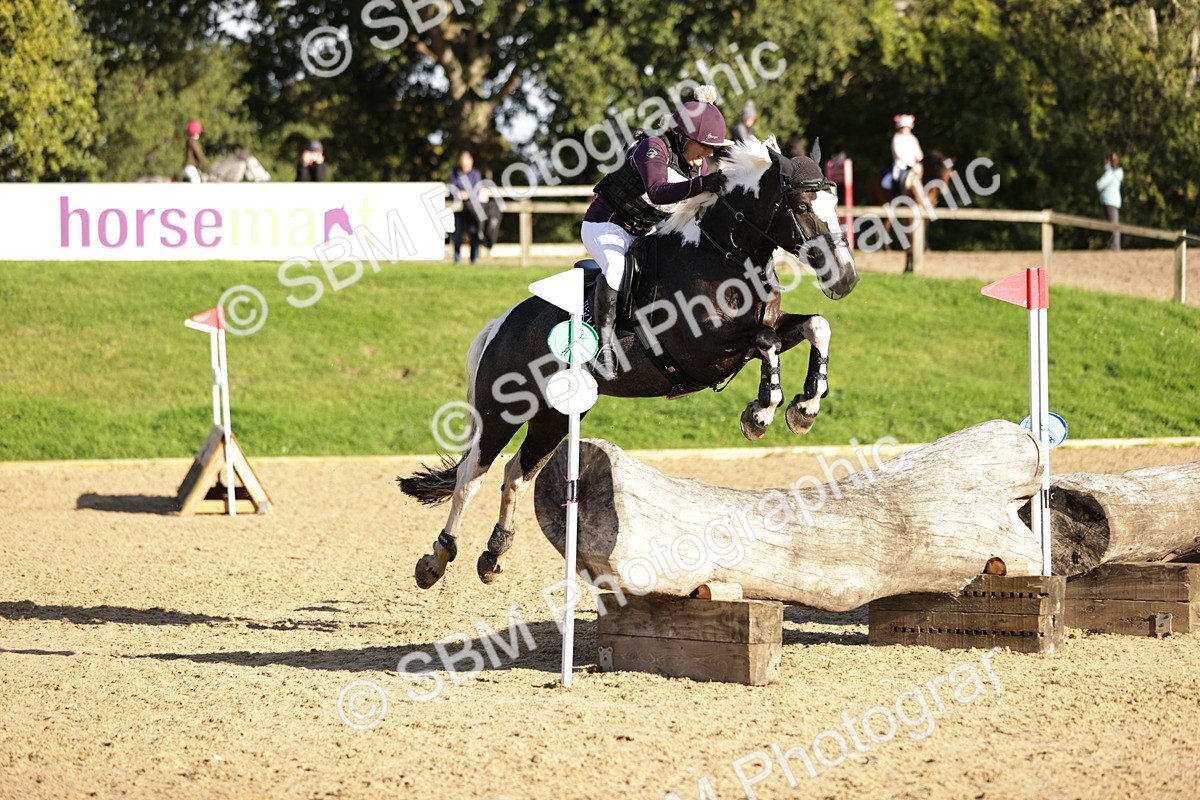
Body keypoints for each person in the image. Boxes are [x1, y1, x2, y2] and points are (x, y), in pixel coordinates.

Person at [582, 85, 731, 379]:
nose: (709, 153)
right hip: (607, 226)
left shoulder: (696, 166)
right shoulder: (653, 147)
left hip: (647, 229)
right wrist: (704, 184)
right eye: (703, 144)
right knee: (616, 266)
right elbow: (658, 191)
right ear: (682, 137)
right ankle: (604, 346)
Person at [449, 150, 482, 264]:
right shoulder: (456, 173)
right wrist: (458, 193)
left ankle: (474, 259)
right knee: (457, 234)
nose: (465, 168)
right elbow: (452, 187)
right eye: (464, 166)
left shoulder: (475, 174)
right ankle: (457, 258)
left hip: (472, 209)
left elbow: (477, 190)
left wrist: (468, 194)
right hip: (458, 208)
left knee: (473, 233)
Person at [1096, 152, 1124, 251]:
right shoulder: (1116, 173)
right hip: (1112, 200)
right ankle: (1114, 245)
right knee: (1112, 223)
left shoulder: (1111, 173)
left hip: (1109, 200)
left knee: (1113, 224)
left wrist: (1107, 168)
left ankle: (1115, 246)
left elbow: (1100, 184)